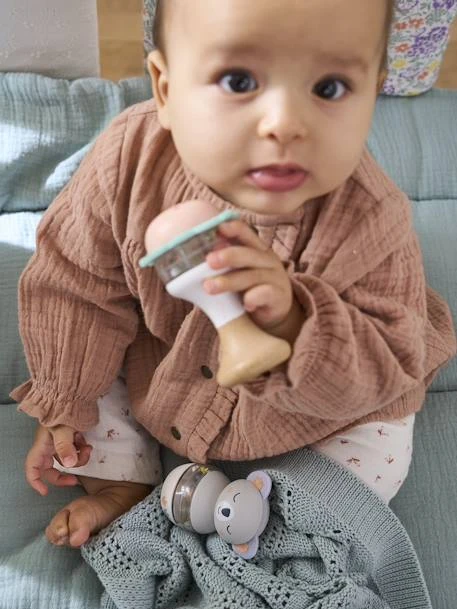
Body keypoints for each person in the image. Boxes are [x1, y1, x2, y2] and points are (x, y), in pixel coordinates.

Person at [11, 0, 456, 548]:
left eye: (331, 87)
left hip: (318, 412)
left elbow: (385, 362)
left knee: (375, 449)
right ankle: (119, 484)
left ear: (374, 92)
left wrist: (292, 323)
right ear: (166, 89)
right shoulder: (129, 159)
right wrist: (64, 400)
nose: (285, 124)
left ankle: (286, 528)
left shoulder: (370, 219)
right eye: (239, 81)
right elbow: (74, 284)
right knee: (85, 364)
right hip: (164, 364)